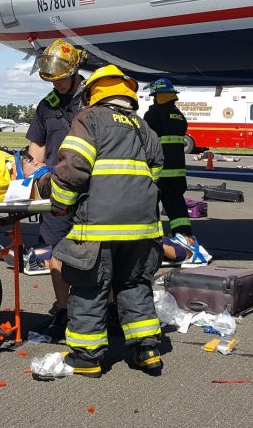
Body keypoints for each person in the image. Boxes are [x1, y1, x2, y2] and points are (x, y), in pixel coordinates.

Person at [50, 64, 166, 377]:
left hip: (99, 227)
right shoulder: (144, 128)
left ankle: (87, 358)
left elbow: (73, 167)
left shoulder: (90, 119)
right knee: (134, 285)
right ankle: (148, 350)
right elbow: (154, 172)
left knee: (90, 287)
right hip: (143, 229)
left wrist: (59, 204)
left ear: (94, 94)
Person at [23, 40, 88, 340]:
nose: (57, 85)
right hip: (56, 191)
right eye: (51, 80)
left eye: (61, 79)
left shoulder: (92, 100)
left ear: (74, 71)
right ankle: (62, 311)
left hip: (91, 190)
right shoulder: (46, 107)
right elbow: (36, 148)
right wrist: (32, 168)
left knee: (97, 252)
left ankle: (105, 309)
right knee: (54, 252)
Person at [143, 77, 210, 266]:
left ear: (158, 96)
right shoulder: (179, 116)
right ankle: (186, 238)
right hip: (178, 173)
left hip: (159, 172)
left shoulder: (153, 115)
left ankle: (152, 243)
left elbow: (147, 140)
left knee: (149, 208)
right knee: (178, 209)